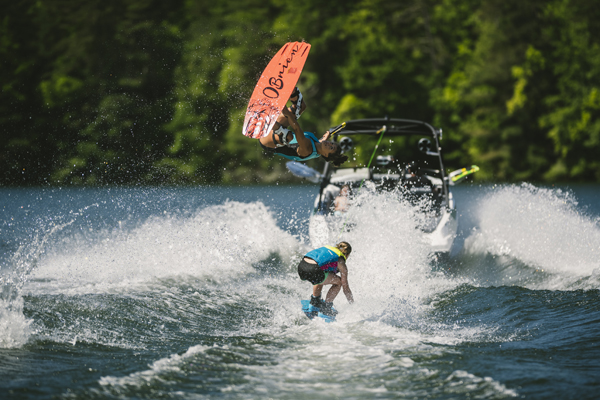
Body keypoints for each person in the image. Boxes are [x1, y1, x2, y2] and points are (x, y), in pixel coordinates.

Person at [259, 88, 348, 167]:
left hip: (268, 142)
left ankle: (263, 117)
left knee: (288, 136)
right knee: (300, 107)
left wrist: (285, 111)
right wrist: (325, 138)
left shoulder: (307, 150)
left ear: (325, 154)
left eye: (331, 148)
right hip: (275, 131)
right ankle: (289, 88)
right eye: (332, 143)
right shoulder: (319, 146)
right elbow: (319, 143)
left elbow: (297, 129)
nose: (329, 144)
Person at [297, 241, 354, 317]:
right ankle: (325, 309)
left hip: (301, 267)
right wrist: (353, 305)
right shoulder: (341, 261)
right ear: (347, 255)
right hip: (314, 270)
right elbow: (345, 288)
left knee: (321, 274)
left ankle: (314, 304)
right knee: (339, 282)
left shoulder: (328, 249)